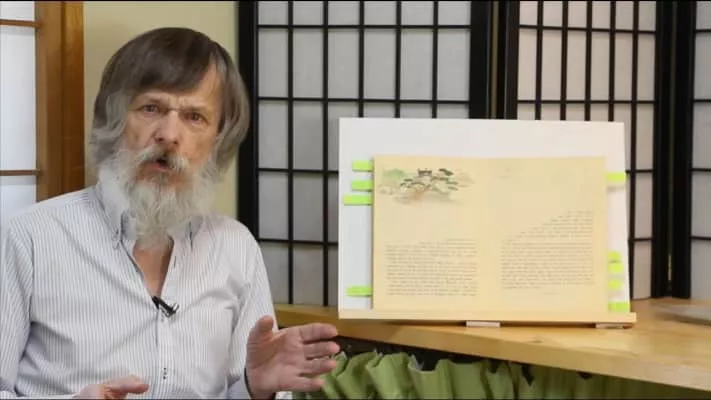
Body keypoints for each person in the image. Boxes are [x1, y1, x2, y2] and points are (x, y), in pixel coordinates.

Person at [0, 27, 340, 399]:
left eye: (195, 117)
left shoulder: (236, 248)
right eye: (151, 108)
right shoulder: (28, 238)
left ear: (219, 139)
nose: (169, 134)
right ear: (115, 119)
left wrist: (254, 389)